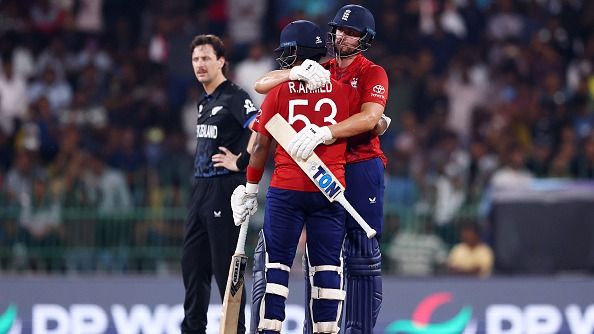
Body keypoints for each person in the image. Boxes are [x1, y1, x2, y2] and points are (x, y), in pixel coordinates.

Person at [254, 4, 390, 332]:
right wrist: (294, 72)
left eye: (352, 32)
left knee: (361, 254)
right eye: (339, 30)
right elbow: (264, 84)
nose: (342, 36)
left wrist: (326, 131)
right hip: (322, 169)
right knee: (320, 257)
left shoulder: (373, 72)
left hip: (360, 166)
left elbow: (371, 118)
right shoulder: (321, 67)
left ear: (365, 39)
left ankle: (357, 329)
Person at [231, 20, 360, 334]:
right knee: (328, 268)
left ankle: (270, 328)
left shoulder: (278, 92)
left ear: (298, 52)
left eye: (288, 52)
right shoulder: (344, 91)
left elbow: (261, 144)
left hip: (287, 191)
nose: (284, 58)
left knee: (276, 267)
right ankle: (326, 330)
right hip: (329, 190)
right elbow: (363, 128)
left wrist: (249, 187)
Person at [181, 34, 259, 334]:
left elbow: (261, 129)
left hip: (225, 190)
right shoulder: (205, 101)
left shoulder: (235, 96)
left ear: (221, 61)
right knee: (192, 268)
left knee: (226, 271)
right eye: (196, 59)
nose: (200, 64)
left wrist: (239, 162)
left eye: (206, 58)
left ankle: (235, 330)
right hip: (200, 190)